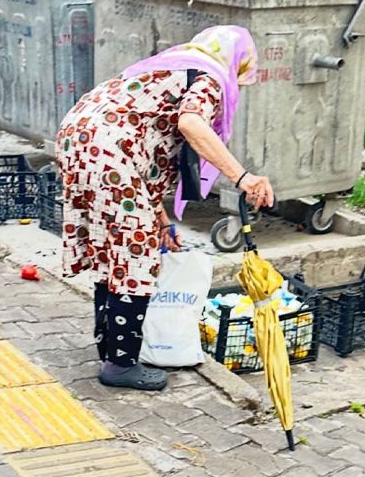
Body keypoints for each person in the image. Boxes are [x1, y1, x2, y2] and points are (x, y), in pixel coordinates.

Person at [55, 25, 274, 391]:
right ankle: (120, 365)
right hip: (111, 152)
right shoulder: (208, 77)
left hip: (81, 139)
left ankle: (109, 347)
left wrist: (160, 219)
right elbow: (189, 123)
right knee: (136, 255)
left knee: (115, 247)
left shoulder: (169, 66)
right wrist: (242, 177)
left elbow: (146, 140)